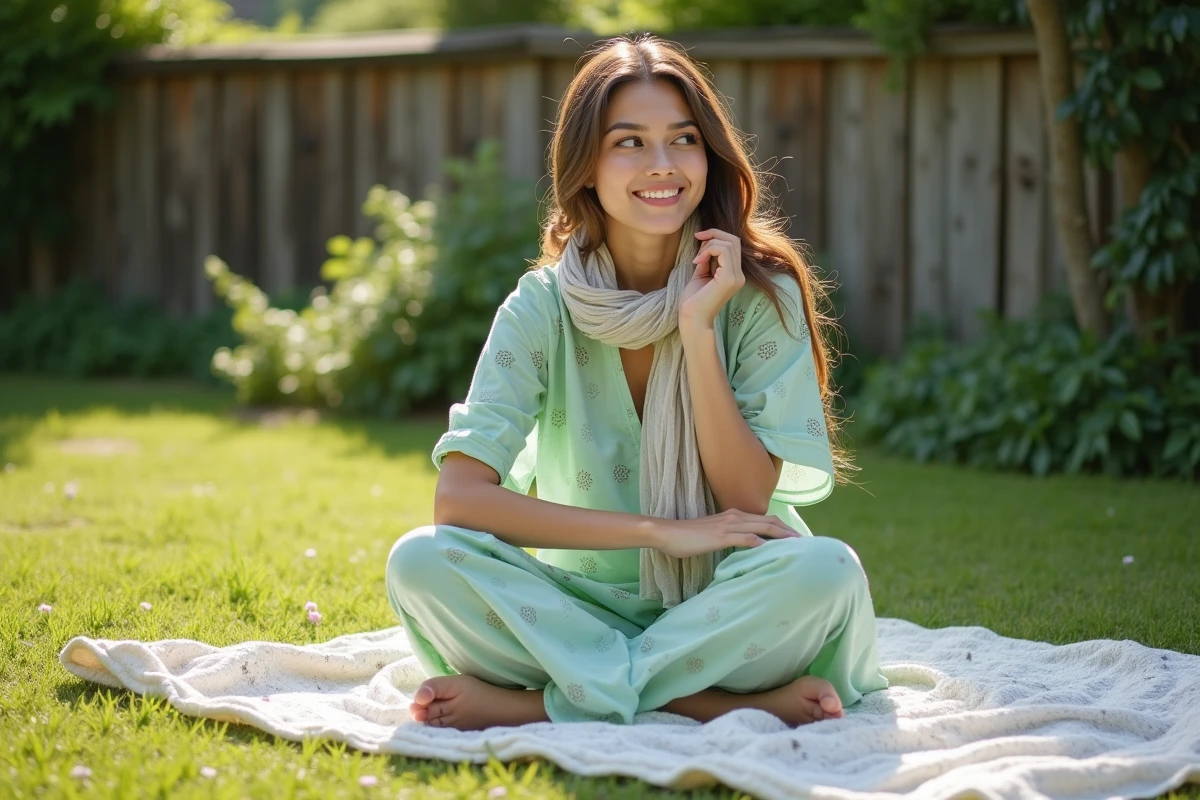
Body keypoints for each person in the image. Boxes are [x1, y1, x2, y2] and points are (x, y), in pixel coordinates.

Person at [385, 33, 889, 731]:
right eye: (629, 142)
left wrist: (698, 330)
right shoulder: (541, 308)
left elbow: (746, 497)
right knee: (419, 561)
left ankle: (543, 702)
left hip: (727, 602)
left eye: (683, 139)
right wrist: (659, 532)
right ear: (585, 166)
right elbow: (459, 500)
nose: (663, 165)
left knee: (825, 572)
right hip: (579, 603)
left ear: (708, 156)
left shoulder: (754, 295)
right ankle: (693, 698)